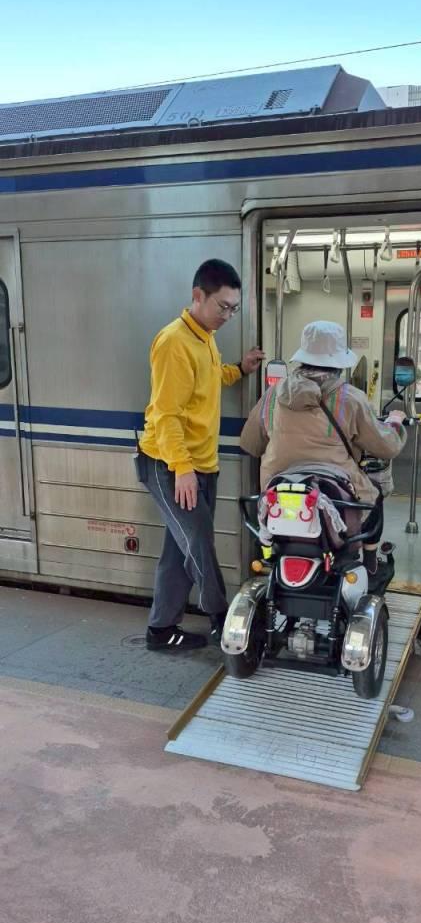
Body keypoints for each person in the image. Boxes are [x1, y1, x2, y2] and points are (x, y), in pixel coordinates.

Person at [137, 259, 263, 651]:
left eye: (233, 309)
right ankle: (224, 621)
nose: (227, 315)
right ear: (198, 296)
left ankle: (161, 630)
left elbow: (210, 377)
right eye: (223, 306)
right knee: (199, 545)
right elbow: (166, 415)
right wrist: (182, 469)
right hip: (169, 465)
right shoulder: (174, 342)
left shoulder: (205, 336)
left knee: (180, 550)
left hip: (201, 465)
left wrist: (239, 369)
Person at [239, 320, 406, 574]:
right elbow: (387, 447)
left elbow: (251, 444)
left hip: (278, 499)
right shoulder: (350, 398)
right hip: (335, 499)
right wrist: (395, 422)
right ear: (339, 364)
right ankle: (371, 564)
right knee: (375, 496)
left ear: (303, 358)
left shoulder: (273, 395)